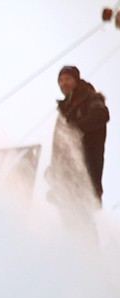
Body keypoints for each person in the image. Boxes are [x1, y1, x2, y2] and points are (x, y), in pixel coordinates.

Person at [46, 66, 110, 231]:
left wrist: (75, 129)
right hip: (67, 176)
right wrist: (53, 172)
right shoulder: (64, 111)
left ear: (76, 80)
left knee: (83, 218)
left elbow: (102, 115)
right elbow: (59, 146)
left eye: (67, 79)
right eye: (60, 80)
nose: (63, 83)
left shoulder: (90, 99)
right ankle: (75, 246)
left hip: (85, 172)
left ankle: (89, 247)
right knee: (69, 220)